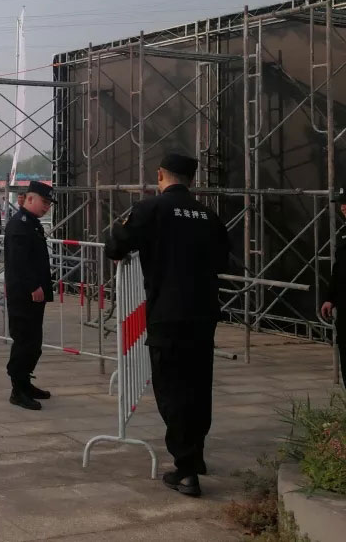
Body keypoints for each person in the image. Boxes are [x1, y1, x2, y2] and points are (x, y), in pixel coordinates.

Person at [104, 153, 229, 498]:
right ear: (192, 180)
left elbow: (115, 244)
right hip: (203, 313)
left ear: (160, 175)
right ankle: (195, 456)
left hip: (168, 313)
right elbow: (223, 259)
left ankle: (186, 471)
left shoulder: (151, 209)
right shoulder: (208, 215)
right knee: (198, 387)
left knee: (172, 389)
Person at [4, 180, 55, 411]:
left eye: (49, 204)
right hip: (23, 294)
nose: (47, 207)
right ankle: (18, 389)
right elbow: (19, 262)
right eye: (44, 202)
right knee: (24, 341)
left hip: (34, 295)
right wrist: (34, 286)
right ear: (30, 198)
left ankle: (25, 382)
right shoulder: (20, 224)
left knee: (34, 342)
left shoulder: (32, 224)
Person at [320, 187, 346, 388]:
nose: (343, 208)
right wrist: (330, 298)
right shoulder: (344, 234)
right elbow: (338, 270)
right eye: (342, 204)